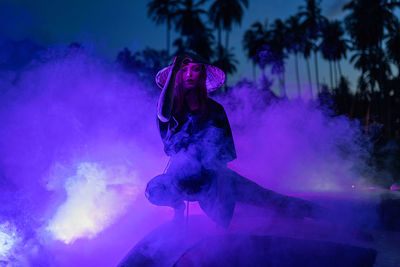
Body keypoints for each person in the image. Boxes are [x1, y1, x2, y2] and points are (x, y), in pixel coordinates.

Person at [145, 53, 317, 227]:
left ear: (202, 75)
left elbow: (224, 154)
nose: (189, 74)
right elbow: (163, 114)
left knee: (265, 199)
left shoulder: (215, 110)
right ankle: (178, 209)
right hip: (179, 177)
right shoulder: (170, 106)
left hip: (212, 177)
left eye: (195, 69)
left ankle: (316, 212)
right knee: (153, 190)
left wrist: (220, 186)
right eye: (184, 70)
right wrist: (175, 69)